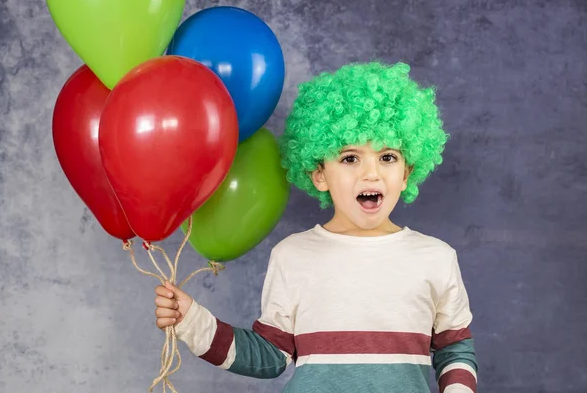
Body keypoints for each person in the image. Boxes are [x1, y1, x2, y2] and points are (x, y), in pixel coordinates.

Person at [154, 62, 478, 392]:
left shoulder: (435, 258)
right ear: (319, 174)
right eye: (350, 158)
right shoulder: (293, 255)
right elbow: (271, 356)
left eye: (388, 157)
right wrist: (192, 321)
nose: (371, 174)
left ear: (406, 172)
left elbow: (454, 349)